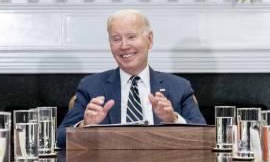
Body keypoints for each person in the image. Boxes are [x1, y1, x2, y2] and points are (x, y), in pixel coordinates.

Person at [56, 9, 204, 147]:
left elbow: (205, 137)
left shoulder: (179, 87)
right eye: (116, 39)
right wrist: (84, 126)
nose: (124, 46)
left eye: (131, 37)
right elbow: (59, 138)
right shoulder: (91, 86)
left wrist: (174, 121)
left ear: (150, 40)